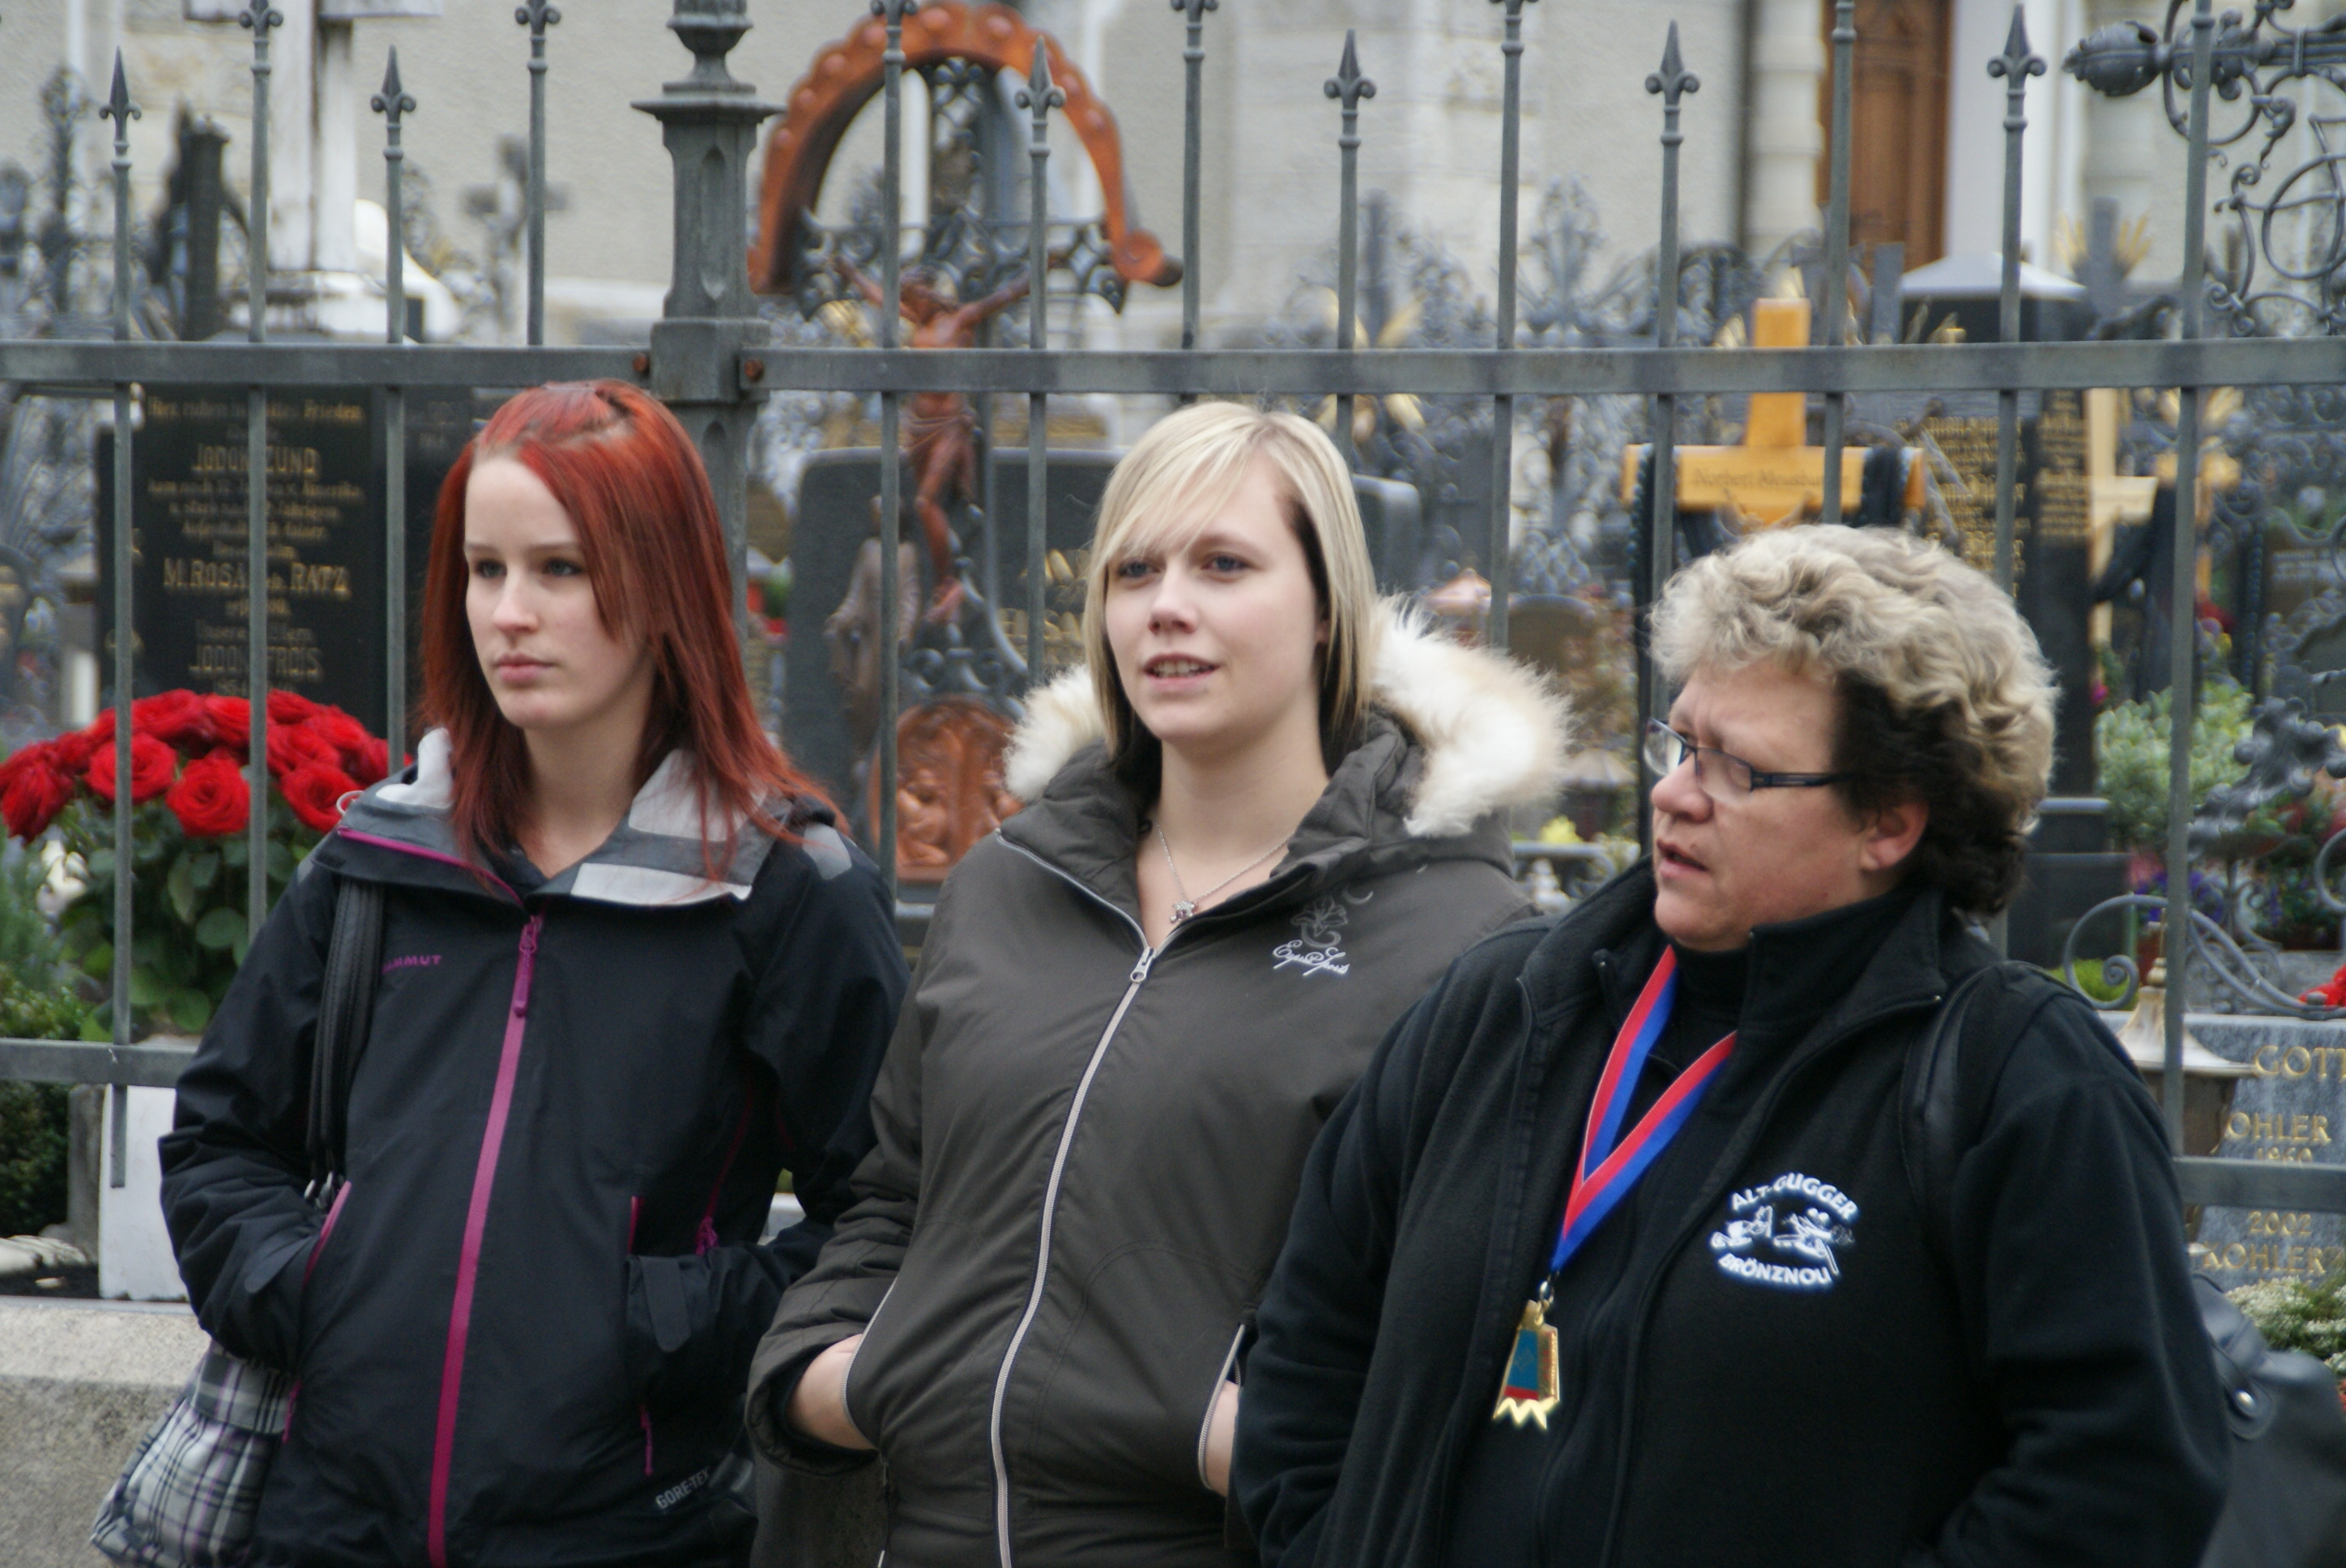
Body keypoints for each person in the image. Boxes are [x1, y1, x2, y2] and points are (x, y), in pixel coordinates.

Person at [1232, 523, 2230, 1568]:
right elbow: (1307, 1337)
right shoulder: (1507, 1005)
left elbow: (2121, 1481)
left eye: (1737, 768)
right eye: (1679, 744)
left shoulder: (2018, 1085)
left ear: (1889, 823)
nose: (1673, 793)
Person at [744, 401, 1570, 1566]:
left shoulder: (1459, 938)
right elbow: (893, 1200)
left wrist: (1227, 1436)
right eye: (1134, 571)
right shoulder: (1008, 881)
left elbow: (1467, 1326)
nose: (1166, 605)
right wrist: (829, 1375)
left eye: (1224, 565)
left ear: (1327, 609)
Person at [160, 381, 907, 1568]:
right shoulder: (382, 859)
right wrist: (317, 1289)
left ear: (665, 586)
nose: (509, 614)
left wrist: (669, 1324)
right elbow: (219, 1142)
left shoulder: (784, 892)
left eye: (561, 569)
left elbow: (884, 1209)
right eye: (484, 569)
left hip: (626, 1535)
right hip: (329, 1529)